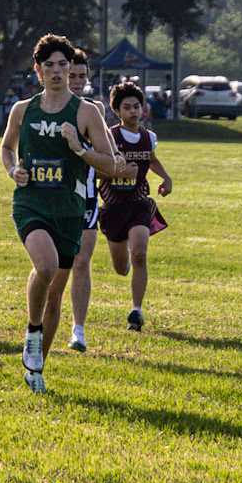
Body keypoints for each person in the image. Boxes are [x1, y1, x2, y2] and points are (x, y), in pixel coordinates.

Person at [0, 34, 127, 392]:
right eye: (49, 66)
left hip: (70, 210)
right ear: (37, 70)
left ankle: (36, 368)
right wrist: (12, 170)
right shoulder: (22, 110)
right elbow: (7, 148)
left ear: (71, 68)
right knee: (45, 267)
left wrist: (79, 148)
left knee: (55, 294)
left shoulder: (86, 112)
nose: (56, 72)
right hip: (30, 204)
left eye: (62, 65)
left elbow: (111, 165)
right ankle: (32, 331)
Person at [98, 80, 172, 330]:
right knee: (121, 268)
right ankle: (125, 259)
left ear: (143, 108)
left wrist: (166, 178)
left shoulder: (149, 137)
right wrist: (117, 171)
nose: (133, 111)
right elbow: (94, 170)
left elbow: (151, 160)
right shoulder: (108, 137)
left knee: (140, 254)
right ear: (116, 111)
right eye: (127, 107)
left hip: (139, 203)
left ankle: (136, 311)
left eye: (136, 107)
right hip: (113, 206)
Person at [65, 49, 102, 354]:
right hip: (53, 196)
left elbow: (106, 155)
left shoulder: (93, 109)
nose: (77, 81)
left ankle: (78, 328)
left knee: (81, 260)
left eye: (81, 76)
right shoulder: (42, 108)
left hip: (87, 196)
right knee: (54, 265)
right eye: (71, 75)